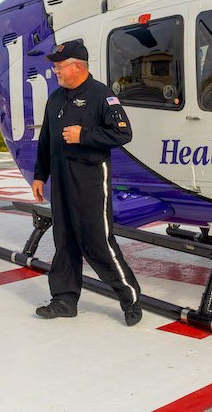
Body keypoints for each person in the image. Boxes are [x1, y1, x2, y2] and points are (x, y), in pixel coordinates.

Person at [31, 40, 143, 326]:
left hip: (90, 178)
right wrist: (39, 174)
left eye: (59, 65)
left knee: (97, 242)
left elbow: (123, 134)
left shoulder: (101, 96)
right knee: (64, 240)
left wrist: (85, 136)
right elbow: (46, 141)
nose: (55, 70)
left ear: (77, 66)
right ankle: (64, 299)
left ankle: (130, 298)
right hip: (61, 180)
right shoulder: (55, 98)